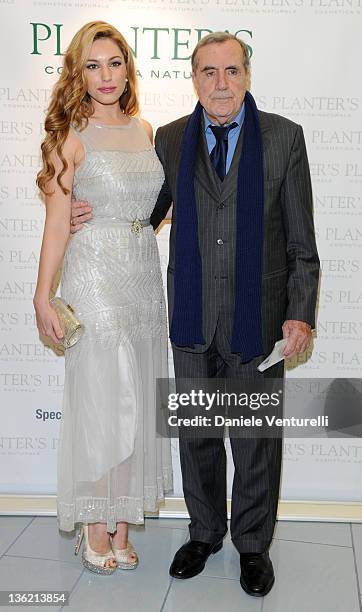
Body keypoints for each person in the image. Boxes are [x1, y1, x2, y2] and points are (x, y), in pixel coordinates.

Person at [71, 32, 319, 595]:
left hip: (258, 316)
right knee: (198, 435)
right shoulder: (172, 139)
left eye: (231, 71)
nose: (221, 83)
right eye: (208, 73)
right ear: (195, 79)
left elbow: (303, 243)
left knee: (255, 438)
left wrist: (300, 314)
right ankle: (205, 532)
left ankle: (253, 546)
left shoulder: (284, 138)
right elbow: (144, 209)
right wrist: (87, 209)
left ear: (247, 74)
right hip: (189, 315)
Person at [34, 21, 173, 575]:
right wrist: (43, 297)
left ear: (128, 68)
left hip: (143, 277)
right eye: (92, 65)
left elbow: (154, 203)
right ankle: (94, 523)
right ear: (78, 73)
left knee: (136, 400)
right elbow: (54, 227)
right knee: (101, 403)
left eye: (114, 63)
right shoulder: (71, 136)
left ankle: (120, 523)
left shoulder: (146, 129)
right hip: (93, 279)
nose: (106, 75)